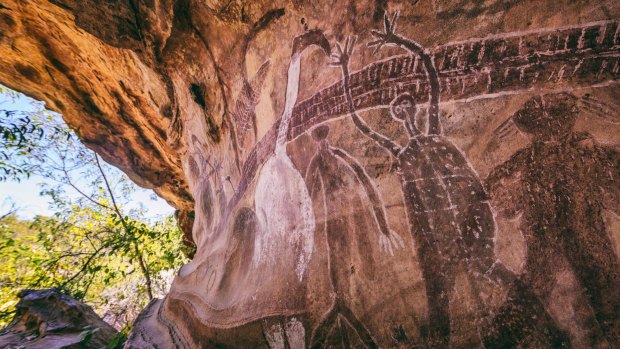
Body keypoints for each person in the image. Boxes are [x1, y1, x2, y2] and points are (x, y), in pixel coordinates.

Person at [333, 13, 569, 348]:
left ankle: (552, 331)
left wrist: (400, 41)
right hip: (435, 236)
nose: (403, 109)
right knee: (439, 302)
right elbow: (360, 123)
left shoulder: (433, 131)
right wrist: (345, 70)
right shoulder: (402, 152)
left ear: (412, 109)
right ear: (398, 116)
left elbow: (430, 73)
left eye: (405, 104)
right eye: (398, 108)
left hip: (466, 220)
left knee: (493, 271)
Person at [487, 92, 620, 347]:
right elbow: (497, 192)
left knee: (609, 299)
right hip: (548, 248)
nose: (551, 130)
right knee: (525, 303)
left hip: (584, 245)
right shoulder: (529, 160)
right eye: (542, 122)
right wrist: (493, 145)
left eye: (554, 119)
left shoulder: (585, 153)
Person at [305, 124, 404, 348]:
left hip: (354, 228)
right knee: (341, 301)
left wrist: (383, 226)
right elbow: (306, 195)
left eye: (324, 138)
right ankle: (366, 343)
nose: (323, 144)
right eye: (318, 139)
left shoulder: (340, 156)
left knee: (342, 303)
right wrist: (305, 235)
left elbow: (368, 184)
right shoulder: (317, 163)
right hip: (335, 232)